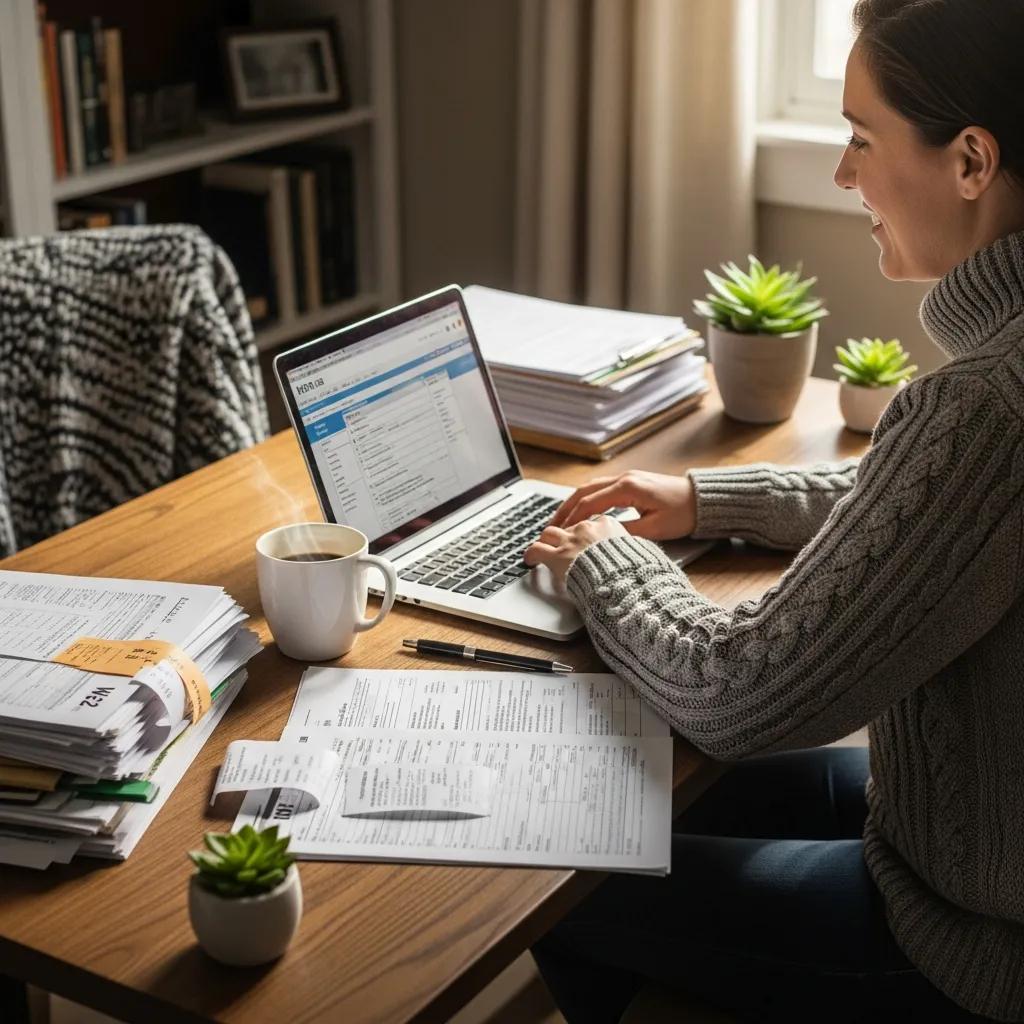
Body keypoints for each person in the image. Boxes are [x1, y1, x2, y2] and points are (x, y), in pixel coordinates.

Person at [524, 1, 1024, 1020]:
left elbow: (741, 693)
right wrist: (713, 498)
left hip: (967, 948)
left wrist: (606, 565)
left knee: (549, 875)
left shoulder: (985, 404)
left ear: (971, 161)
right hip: (954, 840)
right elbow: (945, 512)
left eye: (860, 138)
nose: (842, 174)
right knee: (635, 792)